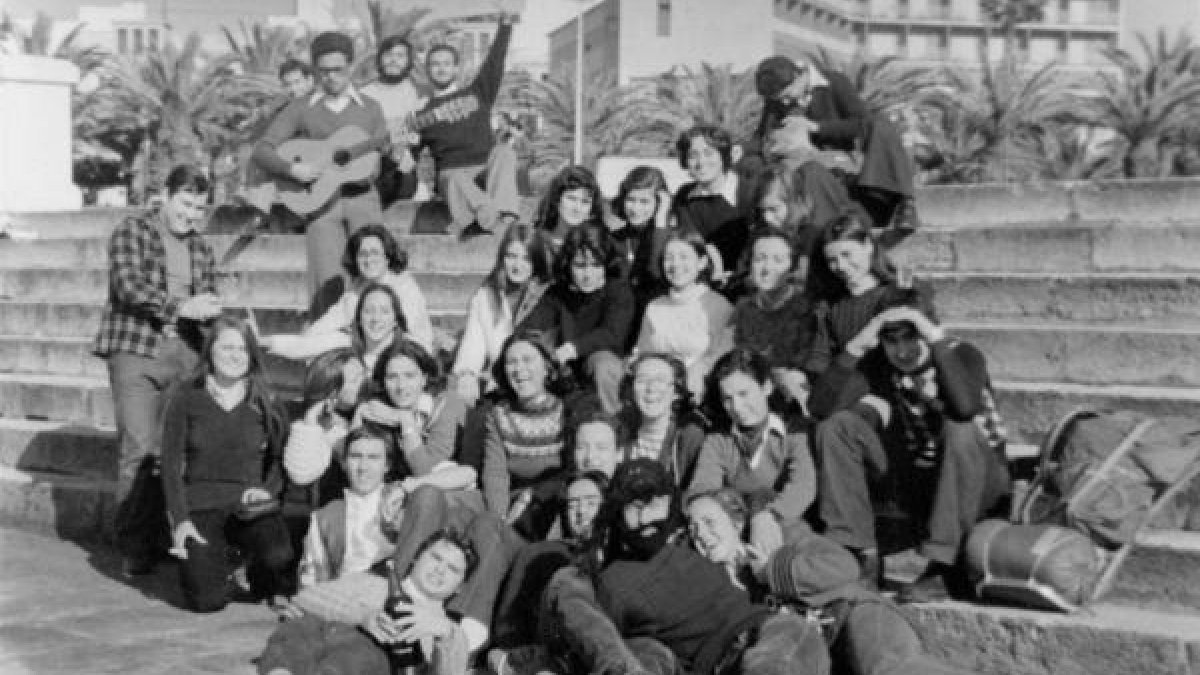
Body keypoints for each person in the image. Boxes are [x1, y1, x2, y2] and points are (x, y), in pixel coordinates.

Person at [812, 305, 1011, 601]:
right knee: (836, 427)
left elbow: (965, 407)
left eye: (911, 338)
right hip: (923, 481)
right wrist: (856, 346)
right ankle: (858, 554)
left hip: (980, 480)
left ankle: (945, 566)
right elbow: (819, 409)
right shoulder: (882, 365)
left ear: (928, 334)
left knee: (959, 428)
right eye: (891, 341)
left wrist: (935, 338)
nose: (902, 351)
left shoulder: (961, 354)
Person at [92, 164, 223, 576]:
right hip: (137, 348)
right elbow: (129, 286)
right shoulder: (133, 230)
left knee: (176, 451)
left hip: (185, 353)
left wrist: (213, 309)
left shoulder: (201, 247)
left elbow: (208, 294)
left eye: (199, 208)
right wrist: (182, 305)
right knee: (139, 446)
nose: (192, 215)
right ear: (165, 195)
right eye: (186, 204)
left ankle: (173, 535)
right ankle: (134, 544)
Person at [588, 459, 832, 675]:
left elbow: (748, 501)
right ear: (617, 515)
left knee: (798, 635)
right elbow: (600, 641)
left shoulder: (689, 550)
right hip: (722, 655)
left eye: (654, 505)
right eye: (634, 508)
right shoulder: (614, 582)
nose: (645, 519)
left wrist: (759, 522)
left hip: (767, 627)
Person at [684, 489, 961, 675]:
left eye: (709, 522)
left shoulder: (782, 536)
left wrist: (770, 570)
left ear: (735, 522)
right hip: (817, 648)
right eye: (693, 528)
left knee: (886, 665)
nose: (702, 534)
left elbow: (844, 567)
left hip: (852, 611)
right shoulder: (716, 583)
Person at [161, 315, 294, 612]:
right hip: (202, 505)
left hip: (249, 506)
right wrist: (180, 521)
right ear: (210, 352)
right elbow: (170, 466)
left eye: (243, 349)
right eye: (227, 348)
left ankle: (249, 566)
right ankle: (221, 564)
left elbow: (280, 458)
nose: (236, 356)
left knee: (277, 555)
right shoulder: (185, 398)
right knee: (207, 601)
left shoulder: (266, 400)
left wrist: (267, 491)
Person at [253, 31, 388, 298]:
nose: (331, 77)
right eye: (324, 71)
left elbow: (377, 161)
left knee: (375, 282)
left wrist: (394, 152)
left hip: (363, 199)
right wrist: (293, 169)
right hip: (319, 204)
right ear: (315, 70)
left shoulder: (371, 108)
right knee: (326, 289)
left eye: (338, 70)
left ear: (351, 65)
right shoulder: (301, 108)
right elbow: (262, 150)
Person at [260, 530, 478, 675]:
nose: (440, 570)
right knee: (299, 627)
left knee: (363, 656)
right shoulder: (371, 582)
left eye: (452, 569)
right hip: (315, 637)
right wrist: (362, 616)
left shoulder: (449, 630)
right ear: (416, 558)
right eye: (436, 558)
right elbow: (306, 597)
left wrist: (446, 633)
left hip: (362, 662)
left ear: (460, 586)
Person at [754, 55, 918, 235]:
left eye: (787, 96)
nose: (784, 103)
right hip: (813, 174)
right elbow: (762, 137)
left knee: (880, 125)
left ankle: (905, 202)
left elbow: (862, 123)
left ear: (799, 77)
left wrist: (816, 127)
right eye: (778, 100)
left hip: (845, 167)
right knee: (805, 171)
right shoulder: (776, 102)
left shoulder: (834, 82)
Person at [689, 348, 817, 558]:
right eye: (727, 399)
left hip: (781, 522)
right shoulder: (719, 440)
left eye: (744, 394)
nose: (737, 407)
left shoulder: (793, 433)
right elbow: (704, 486)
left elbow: (803, 486)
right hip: (733, 525)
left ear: (766, 387)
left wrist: (768, 515)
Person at [803, 211, 935, 406]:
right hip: (850, 390)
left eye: (847, 255)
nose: (841, 266)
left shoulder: (897, 291)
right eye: (832, 260)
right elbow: (819, 359)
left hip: (898, 391)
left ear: (867, 246)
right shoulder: (831, 306)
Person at [416, 8, 521, 240]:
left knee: (504, 151)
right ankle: (495, 221)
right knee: (455, 178)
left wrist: (505, 25)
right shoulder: (422, 113)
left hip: (485, 172)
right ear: (427, 71)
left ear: (456, 68)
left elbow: (495, 62)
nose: (441, 68)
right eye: (435, 64)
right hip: (452, 178)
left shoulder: (477, 93)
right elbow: (408, 157)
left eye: (446, 63)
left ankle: (502, 215)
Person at [263, 224, 434, 356]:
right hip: (369, 347)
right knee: (331, 339)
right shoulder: (358, 287)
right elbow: (334, 318)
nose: (369, 260)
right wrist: (306, 338)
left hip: (407, 352)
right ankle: (270, 344)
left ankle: (276, 344)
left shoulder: (404, 287)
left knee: (341, 341)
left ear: (387, 257)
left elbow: (412, 334)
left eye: (375, 253)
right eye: (362, 254)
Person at [519, 223, 636, 414]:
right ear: (568, 265)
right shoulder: (558, 293)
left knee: (604, 365)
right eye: (580, 266)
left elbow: (612, 333)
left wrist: (573, 348)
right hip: (564, 368)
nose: (588, 275)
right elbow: (531, 326)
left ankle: (612, 425)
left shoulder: (618, 290)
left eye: (596, 265)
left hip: (603, 359)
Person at [451, 223, 555, 405]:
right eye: (511, 256)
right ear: (502, 258)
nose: (517, 266)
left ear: (536, 261)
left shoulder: (548, 295)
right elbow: (473, 343)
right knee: (457, 396)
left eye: (526, 259)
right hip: (500, 380)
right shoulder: (486, 296)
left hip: (538, 381)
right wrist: (467, 373)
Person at [482, 333, 572, 541]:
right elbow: (496, 474)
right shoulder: (499, 415)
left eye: (527, 360)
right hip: (513, 501)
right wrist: (500, 521)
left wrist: (531, 497)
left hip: (554, 500)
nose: (519, 369)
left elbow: (570, 470)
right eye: (511, 362)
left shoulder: (567, 410)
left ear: (547, 367)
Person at [633, 227, 734, 398]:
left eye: (684, 257)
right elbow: (643, 355)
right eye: (669, 258)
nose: (675, 265)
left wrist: (696, 372)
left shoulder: (719, 307)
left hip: (700, 393)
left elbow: (723, 358)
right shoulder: (655, 307)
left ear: (701, 262)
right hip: (656, 394)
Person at [732, 227, 817, 420]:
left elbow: (805, 368)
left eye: (778, 261)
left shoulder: (807, 310)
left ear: (792, 268)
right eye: (760, 259)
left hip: (792, 397)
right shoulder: (742, 308)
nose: (766, 268)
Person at [670, 125, 760, 277]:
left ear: (724, 156)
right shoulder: (684, 196)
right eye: (693, 155)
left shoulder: (751, 193)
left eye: (708, 153)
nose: (701, 162)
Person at [241, 59, 315, 229]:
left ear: (310, 81)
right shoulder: (284, 102)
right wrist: (250, 120)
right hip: (295, 160)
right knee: (260, 158)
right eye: (288, 85)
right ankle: (256, 215)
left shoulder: (321, 100)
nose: (293, 89)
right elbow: (265, 111)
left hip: (317, 160)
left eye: (297, 82)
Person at [616, 352, 706, 491]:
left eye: (660, 380)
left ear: (676, 391)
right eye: (642, 380)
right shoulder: (619, 433)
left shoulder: (690, 438)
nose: (650, 388)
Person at [362, 36, 425, 207]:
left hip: (401, 167)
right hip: (369, 165)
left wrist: (398, 143)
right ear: (379, 59)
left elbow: (418, 138)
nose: (393, 60)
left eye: (400, 55)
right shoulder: (364, 94)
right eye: (388, 55)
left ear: (408, 61)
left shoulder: (418, 95)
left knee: (402, 167)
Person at [610, 165, 673, 308]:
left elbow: (656, 273)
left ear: (659, 203)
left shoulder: (668, 238)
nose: (635, 208)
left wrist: (661, 219)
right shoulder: (614, 238)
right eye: (631, 199)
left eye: (644, 201)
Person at [533, 165, 606, 248]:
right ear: (557, 199)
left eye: (585, 202)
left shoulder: (598, 248)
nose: (577, 208)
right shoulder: (535, 245)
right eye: (571, 198)